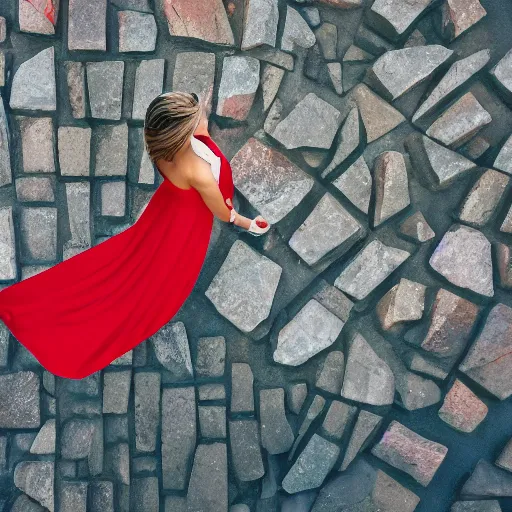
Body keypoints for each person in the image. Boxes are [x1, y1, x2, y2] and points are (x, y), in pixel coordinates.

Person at [0, 91, 271, 379]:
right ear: (183, 132)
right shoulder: (201, 173)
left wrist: (195, 114)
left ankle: (36, 310)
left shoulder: (163, 149)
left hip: (165, 213)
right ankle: (77, 339)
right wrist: (249, 223)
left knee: (122, 266)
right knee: (147, 290)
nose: (203, 118)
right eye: (196, 118)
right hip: (185, 229)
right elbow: (222, 213)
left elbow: (189, 131)